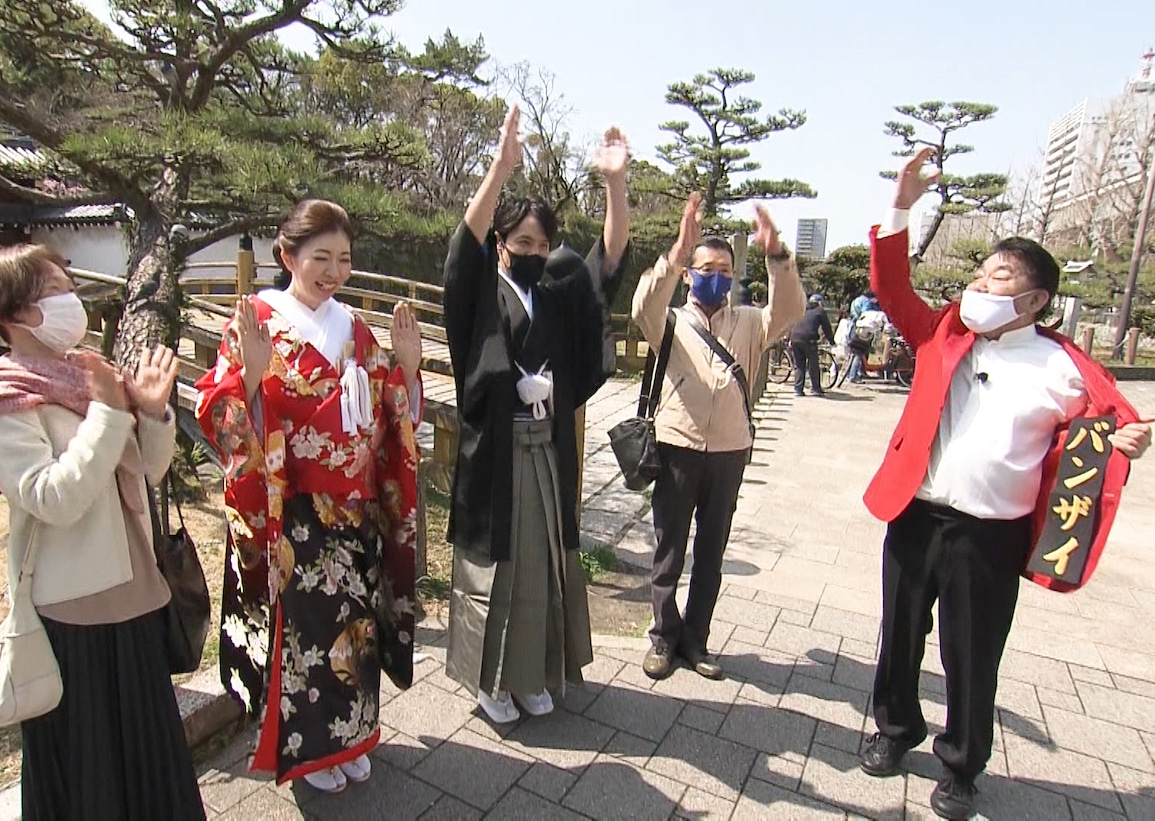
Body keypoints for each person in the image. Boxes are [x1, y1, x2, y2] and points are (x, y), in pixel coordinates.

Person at [859, 149, 1155, 820]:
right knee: (899, 630)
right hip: (915, 512)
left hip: (988, 533)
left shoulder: (1064, 367)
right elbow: (891, 283)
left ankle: (961, 765)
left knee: (971, 651)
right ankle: (893, 728)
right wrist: (902, 200)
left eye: (996, 278)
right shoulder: (944, 333)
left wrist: (1132, 440)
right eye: (980, 273)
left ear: (1033, 300)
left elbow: (1118, 425)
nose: (979, 287)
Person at [0, 244, 204, 820]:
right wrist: (110, 413)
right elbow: (54, 497)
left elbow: (147, 468)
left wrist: (151, 413)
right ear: (13, 312)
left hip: (134, 588)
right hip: (73, 612)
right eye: (53, 288)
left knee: (150, 761)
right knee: (90, 769)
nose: (71, 298)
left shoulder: (82, 374)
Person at [193, 199, 423, 793]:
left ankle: (355, 737)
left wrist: (406, 367)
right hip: (295, 516)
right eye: (320, 257)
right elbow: (220, 412)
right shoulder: (257, 319)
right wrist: (248, 376)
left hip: (357, 512)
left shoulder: (355, 328)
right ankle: (312, 754)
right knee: (311, 636)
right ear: (286, 254)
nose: (333, 271)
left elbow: (393, 415)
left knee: (359, 630)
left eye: (343, 259)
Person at [442, 106, 631, 724]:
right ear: (500, 243)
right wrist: (499, 167)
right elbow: (461, 253)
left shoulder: (551, 292)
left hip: (547, 450)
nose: (533, 252)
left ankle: (530, 674)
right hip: (498, 454)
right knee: (500, 571)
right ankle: (491, 682)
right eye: (521, 242)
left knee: (542, 564)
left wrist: (615, 186)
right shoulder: (480, 293)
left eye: (542, 245)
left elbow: (606, 263)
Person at [633, 194, 805, 681]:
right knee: (669, 547)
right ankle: (663, 637)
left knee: (712, 551)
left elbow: (790, 307)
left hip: (730, 451)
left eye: (726, 270)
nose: (717, 277)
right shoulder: (667, 321)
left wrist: (777, 256)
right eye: (706, 268)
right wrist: (678, 249)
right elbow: (642, 302)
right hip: (676, 446)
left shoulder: (750, 322)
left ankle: (696, 639)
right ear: (689, 275)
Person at [790, 293, 834, 397]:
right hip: (808, 339)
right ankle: (815, 388)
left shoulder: (801, 309)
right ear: (819, 303)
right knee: (813, 364)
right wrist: (832, 341)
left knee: (799, 365)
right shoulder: (820, 311)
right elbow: (827, 328)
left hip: (794, 337)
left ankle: (798, 389)